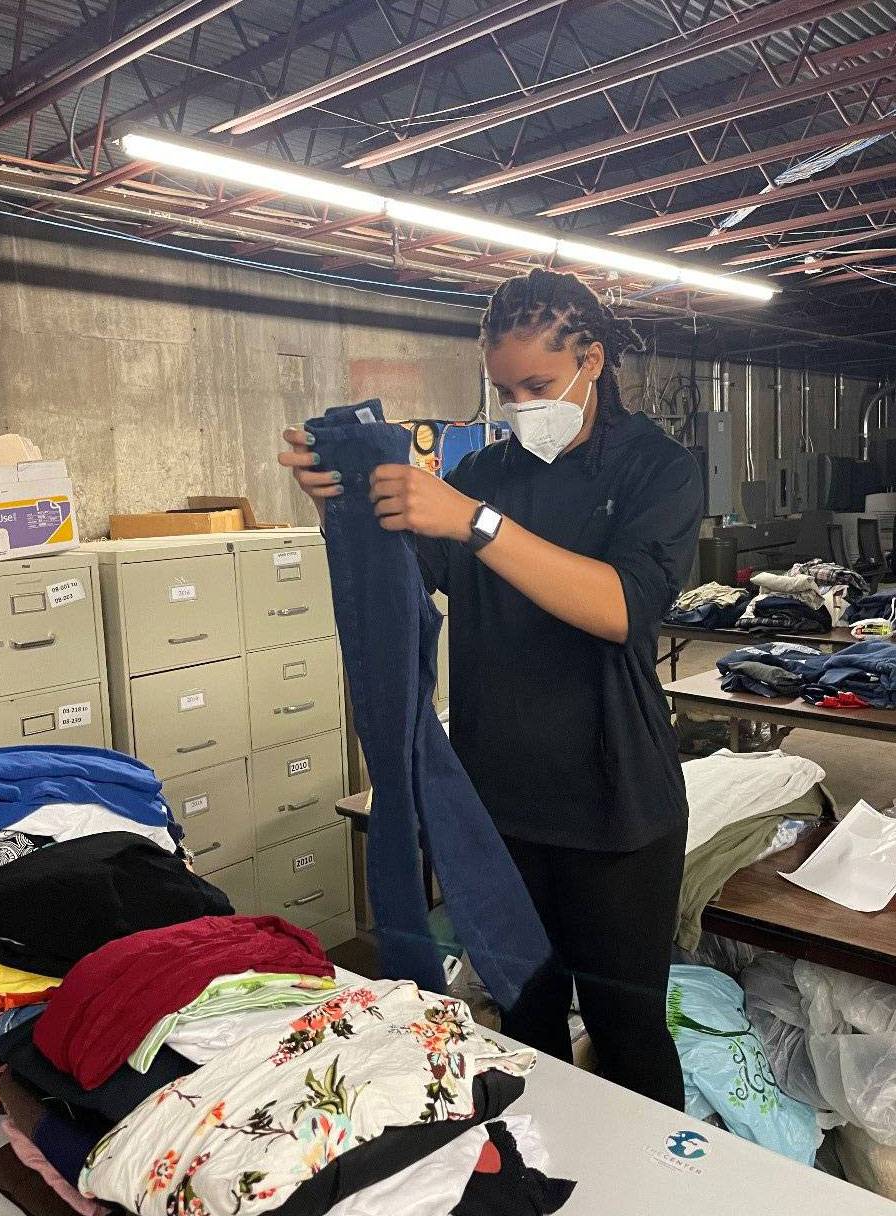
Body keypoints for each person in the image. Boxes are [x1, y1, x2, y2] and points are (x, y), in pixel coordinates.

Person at [280, 268, 703, 1110]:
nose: (521, 405)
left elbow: (621, 607)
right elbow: (405, 584)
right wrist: (346, 510)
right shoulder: (487, 474)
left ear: (594, 358)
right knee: (521, 1015)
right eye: (505, 390)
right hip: (497, 804)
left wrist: (474, 524)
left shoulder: (659, 469)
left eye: (539, 385)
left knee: (628, 1027)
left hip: (615, 805)